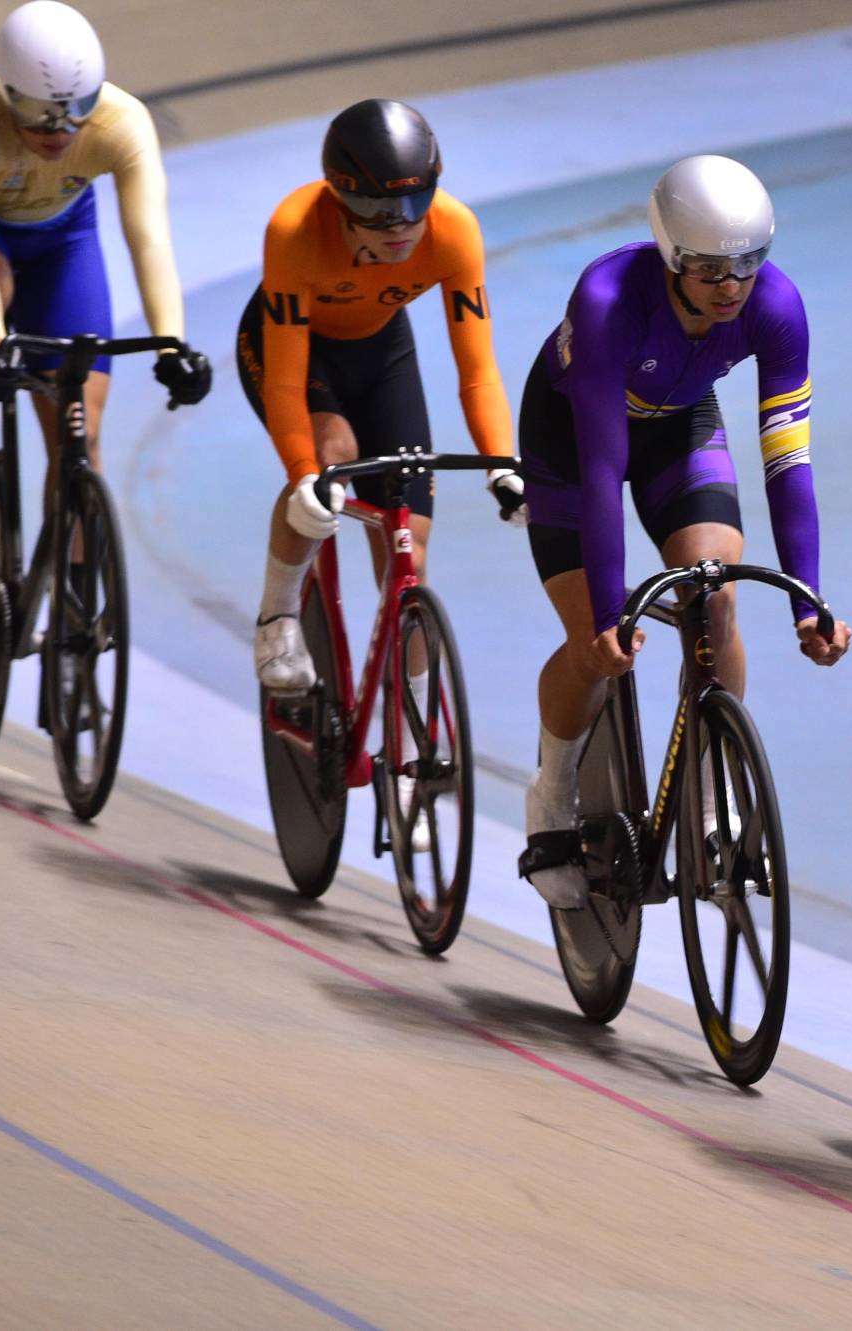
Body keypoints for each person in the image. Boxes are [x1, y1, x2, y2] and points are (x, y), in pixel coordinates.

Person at [516, 153, 851, 909]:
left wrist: (807, 599)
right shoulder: (608, 300)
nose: (732, 287)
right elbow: (602, 469)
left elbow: (788, 462)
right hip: (572, 440)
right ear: (671, 257)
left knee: (716, 593)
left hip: (679, 425)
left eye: (747, 265)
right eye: (709, 270)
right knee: (594, 649)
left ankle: (708, 804)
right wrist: (608, 614)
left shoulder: (778, 306)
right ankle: (552, 791)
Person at [239, 98, 519, 849]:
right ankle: (277, 617)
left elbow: (477, 369)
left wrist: (502, 464)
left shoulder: (454, 229)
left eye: (414, 205)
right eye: (376, 211)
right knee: (330, 455)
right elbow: (286, 381)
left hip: (381, 352)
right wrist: (305, 472)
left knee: (408, 554)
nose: (400, 227)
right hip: (296, 353)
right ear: (339, 200)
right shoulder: (294, 230)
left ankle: (410, 745)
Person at [0, 0, 209, 573]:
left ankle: (74, 600)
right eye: (40, 115)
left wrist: (172, 343)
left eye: (77, 110)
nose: (61, 130)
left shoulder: (122, 121)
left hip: (61, 240)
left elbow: (150, 240)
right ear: (6, 94)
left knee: (80, 435)